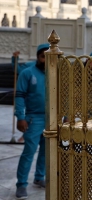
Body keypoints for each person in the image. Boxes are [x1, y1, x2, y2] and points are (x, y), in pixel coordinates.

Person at [14, 43, 49, 199]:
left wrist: (66, 116)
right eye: (43, 56)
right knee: (29, 152)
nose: (46, 60)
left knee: (45, 152)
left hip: (52, 120)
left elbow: (64, 96)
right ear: (38, 57)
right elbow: (20, 96)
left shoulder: (57, 74)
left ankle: (39, 177)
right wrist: (20, 117)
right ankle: (21, 184)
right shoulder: (28, 73)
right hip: (34, 119)